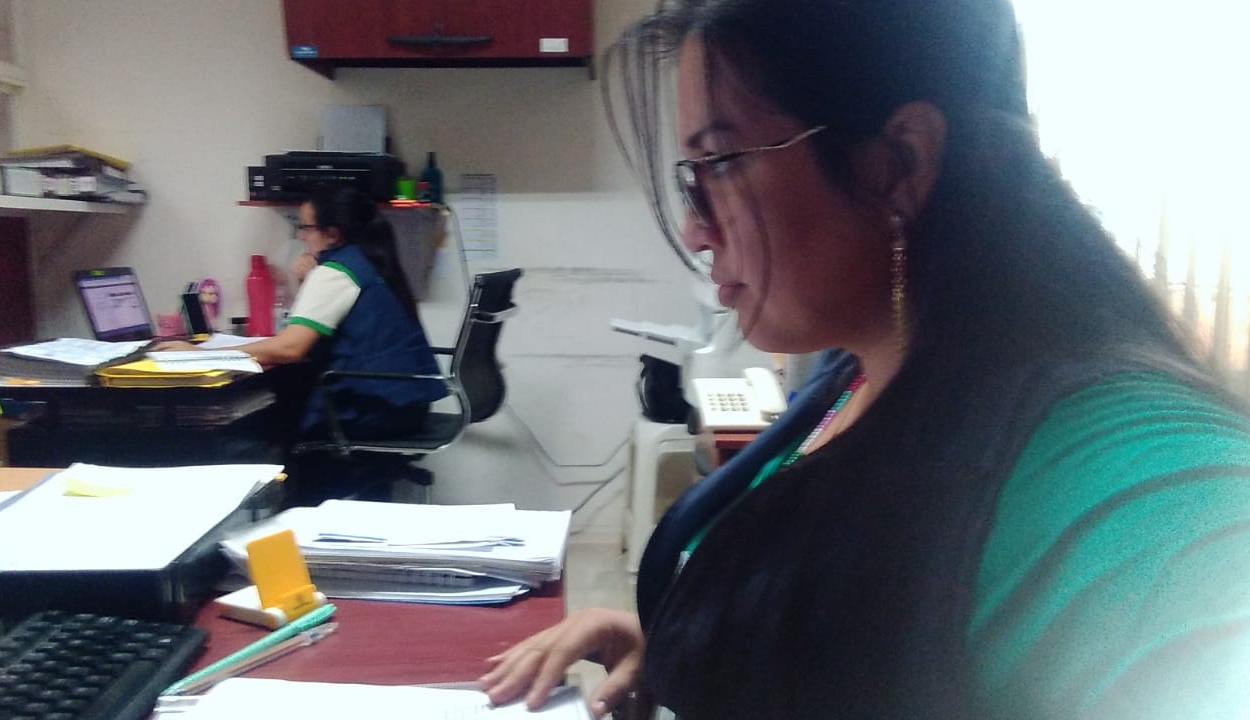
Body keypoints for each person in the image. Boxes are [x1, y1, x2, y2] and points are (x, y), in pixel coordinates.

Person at [479, 1, 1250, 718]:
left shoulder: (1142, 472)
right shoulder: (853, 376)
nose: (695, 229)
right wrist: (692, 653)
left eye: (721, 163)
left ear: (898, 162)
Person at [156, 185, 447, 504]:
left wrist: (201, 353)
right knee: (287, 401)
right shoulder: (367, 261)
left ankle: (286, 511)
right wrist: (307, 280)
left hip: (374, 410)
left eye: (306, 227)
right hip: (402, 404)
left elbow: (290, 348)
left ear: (331, 234)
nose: (301, 235)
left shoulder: (336, 272)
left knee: (266, 425)